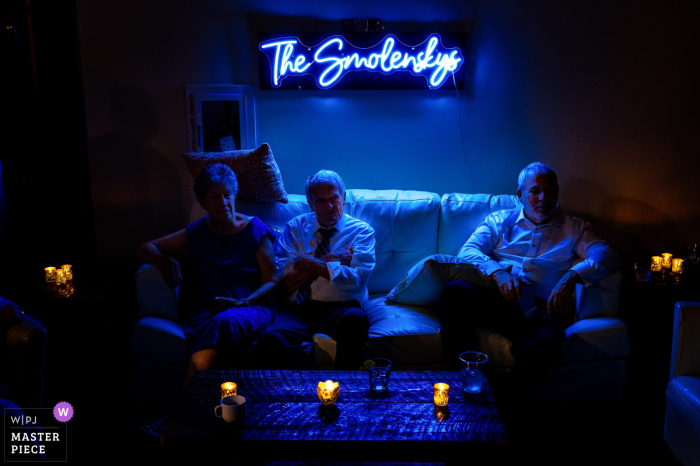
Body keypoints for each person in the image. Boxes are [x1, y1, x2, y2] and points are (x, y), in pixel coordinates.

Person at [440, 162, 621, 408]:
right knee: (456, 292)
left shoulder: (574, 227)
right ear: (520, 195)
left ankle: (504, 410)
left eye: (551, 190)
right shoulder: (499, 220)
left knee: (549, 341)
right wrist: (499, 273)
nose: (543, 198)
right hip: (497, 298)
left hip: (539, 310)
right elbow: (468, 250)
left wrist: (572, 275)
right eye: (535, 190)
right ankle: (457, 382)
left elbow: (608, 254)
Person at [138, 163, 278, 435]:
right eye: (215, 196)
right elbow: (146, 248)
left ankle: (176, 417)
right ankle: (203, 422)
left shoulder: (254, 229)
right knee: (218, 321)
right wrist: (164, 263)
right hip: (206, 307)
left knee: (224, 322)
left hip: (250, 304)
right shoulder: (197, 232)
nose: (224, 202)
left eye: (228, 195)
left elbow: (272, 280)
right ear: (202, 201)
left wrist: (242, 303)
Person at [256, 170, 375, 370]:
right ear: (311, 204)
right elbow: (284, 283)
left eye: (334, 198)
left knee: (356, 321)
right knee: (269, 339)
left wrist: (309, 263)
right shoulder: (295, 228)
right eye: (321, 201)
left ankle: (344, 391)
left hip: (341, 308)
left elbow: (357, 280)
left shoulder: (361, 232)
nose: (329, 206)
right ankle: (282, 399)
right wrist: (331, 261)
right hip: (298, 309)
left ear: (343, 198)